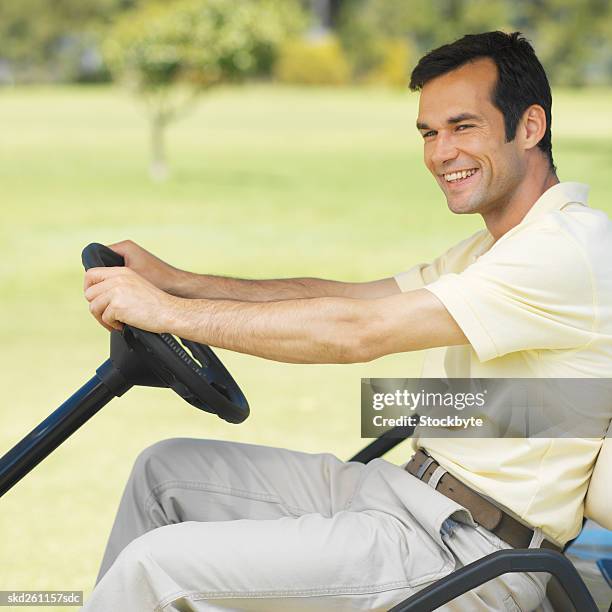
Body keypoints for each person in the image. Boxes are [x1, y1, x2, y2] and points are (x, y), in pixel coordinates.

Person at [81, 31, 611, 611]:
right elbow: (351, 300)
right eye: (429, 134)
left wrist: (169, 313)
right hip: (408, 495)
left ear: (530, 127)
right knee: (166, 471)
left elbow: (358, 333)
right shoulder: (493, 248)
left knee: (156, 568)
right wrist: (177, 281)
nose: (440, 154)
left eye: (464, 127)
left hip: (471, 556)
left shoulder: (567, 251)